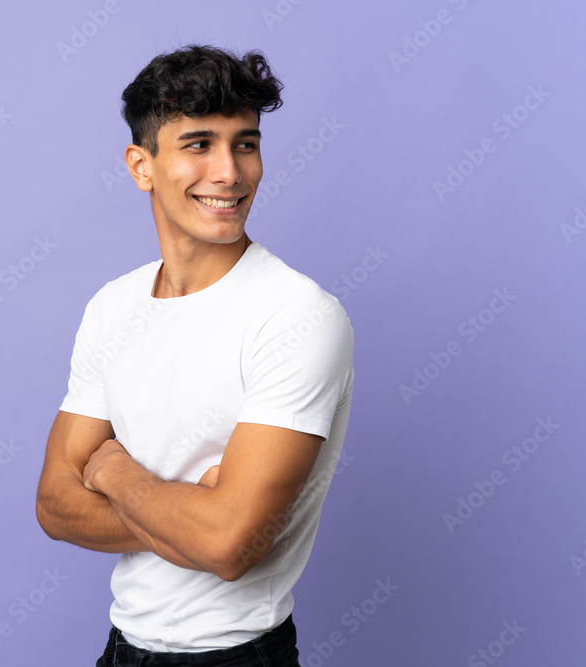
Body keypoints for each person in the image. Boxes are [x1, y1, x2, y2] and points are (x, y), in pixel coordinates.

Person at [35, 44, 355, 667]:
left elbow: (230, 545)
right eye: (199, 144)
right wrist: (192, 512)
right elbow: (53, 504)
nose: (229, 172)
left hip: (237, 656)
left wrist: (114, 473)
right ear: (142, 166)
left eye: (245, 144)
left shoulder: (297, 316)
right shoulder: (112, 306)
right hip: (122, 650)